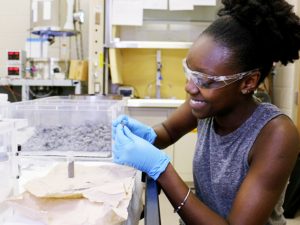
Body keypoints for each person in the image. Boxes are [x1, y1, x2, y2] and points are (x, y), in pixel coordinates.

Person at [112, 0, 300, 224]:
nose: (190, 87)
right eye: (190, 73)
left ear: (248, 82)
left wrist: (161, 170)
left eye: (205, 80)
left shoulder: (276, 135)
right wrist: (146, 136)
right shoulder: (208, 104)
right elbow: (168, 131)